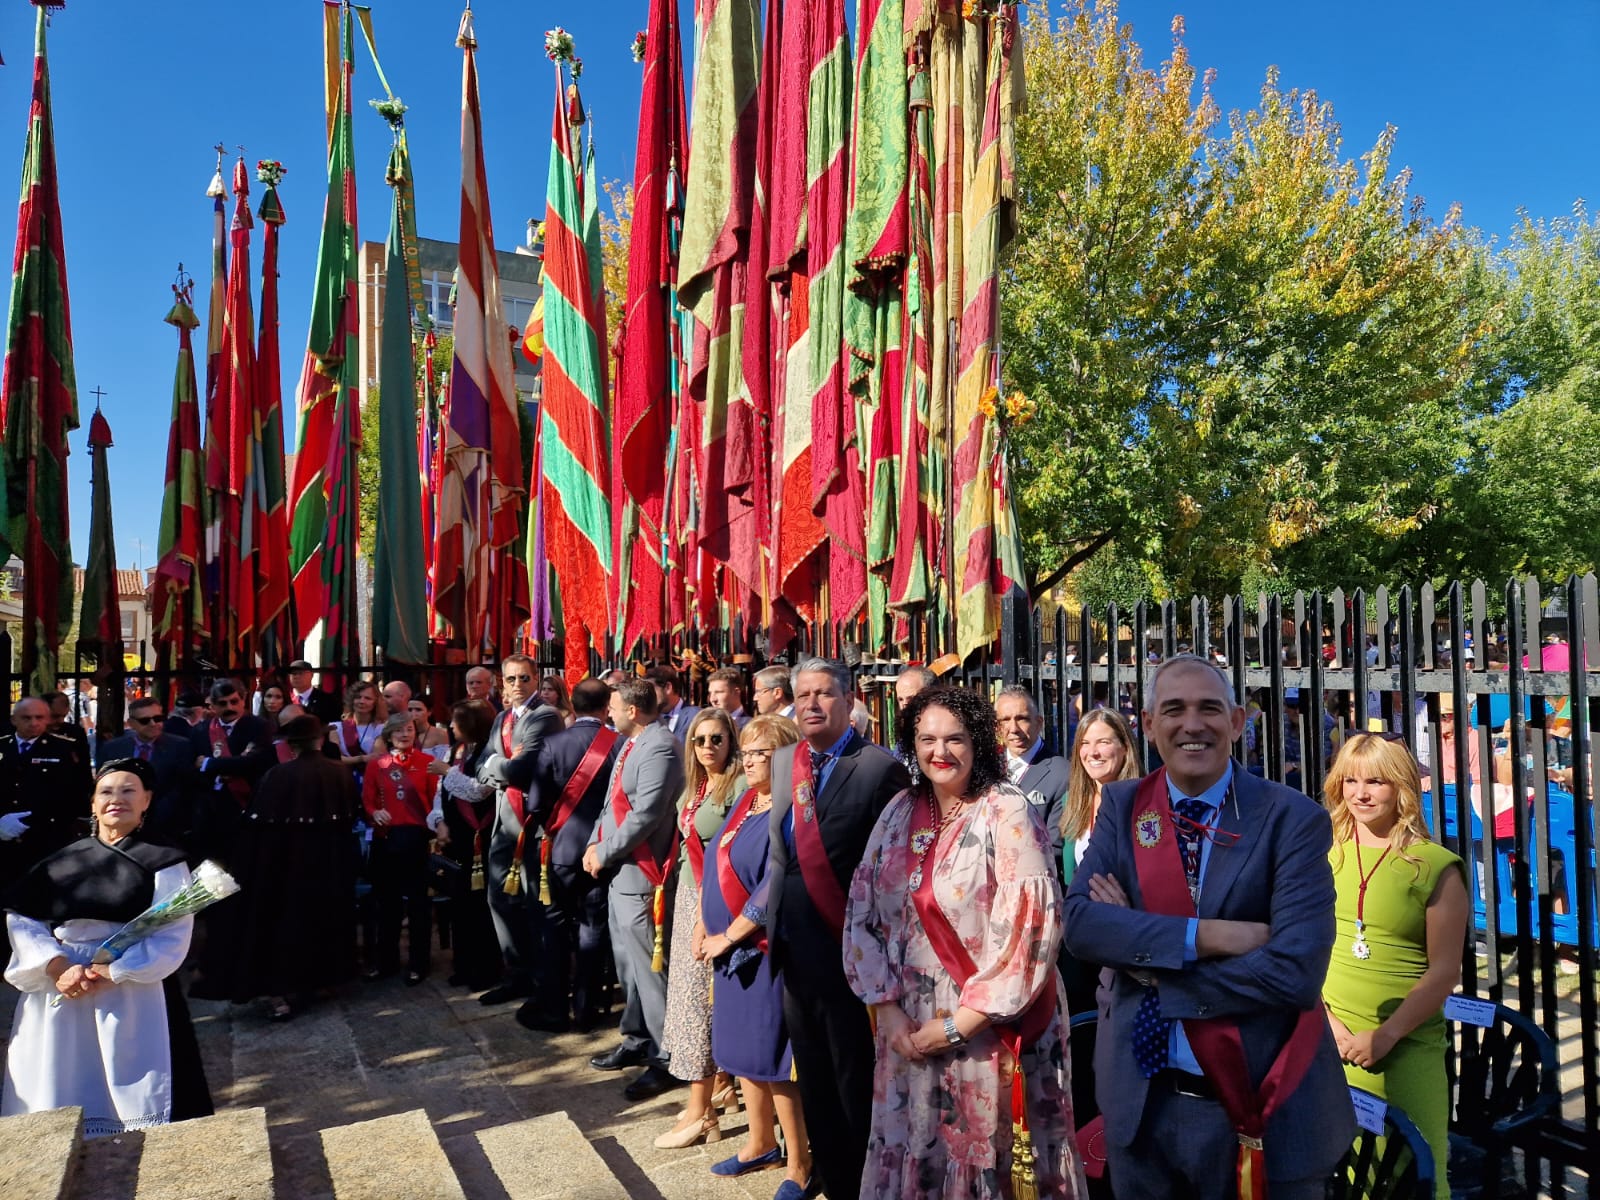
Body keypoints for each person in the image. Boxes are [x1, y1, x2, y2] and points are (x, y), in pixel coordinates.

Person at [1063, 655, 1352, 1198]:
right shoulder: (1124, 806)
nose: (1191, 724)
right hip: (1141, 1109)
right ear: (1148, 724)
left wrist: (1148, 962)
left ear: (1238, 721)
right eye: (1173, 709)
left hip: (1261, 1110)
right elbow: (1080, 926)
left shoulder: (1292, 819)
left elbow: (1294, 972)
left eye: (1209, 709)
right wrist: (1208, 937)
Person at [844, 687, 1086, 1199]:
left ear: (978, 743)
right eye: (927, 739)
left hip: (992, 1028)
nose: (940, 752)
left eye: (955, 739)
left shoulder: (1007, 811)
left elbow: (1033, 929)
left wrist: (957, 1025)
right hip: (906, 1025)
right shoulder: (897, 812)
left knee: (983, 1160)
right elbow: (861, 907)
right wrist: (886, 1011)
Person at [2, 759, 213, 1134]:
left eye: (129, 790)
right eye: (107, 791)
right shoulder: (63, 859)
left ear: (147, 800)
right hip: (63, 982)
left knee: (134, 1075)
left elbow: (172, 931)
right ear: (93, 804)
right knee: (60, 1071)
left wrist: (111, 970)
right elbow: (22, 918)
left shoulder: (164, 861)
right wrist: (57, 966)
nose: (117, 799)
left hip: (131, 989)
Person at [765, 658, 909, 1200]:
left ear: (849, 701)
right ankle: (828, 1176)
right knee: (816, 1083)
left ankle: (864, 1187)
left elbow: (892, 875)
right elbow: (781, 858)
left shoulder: (877, 768)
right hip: (796, 957)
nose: (811, 704)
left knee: (855, 1085)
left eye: (824, 694)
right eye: (802, 695)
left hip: (851, 961)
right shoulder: (785, 763)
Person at [1322, 734, 1468, 1198]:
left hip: (1406, 1045)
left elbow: (1445, 972)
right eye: (1351, 780)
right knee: (1345, 1170)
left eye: (1376, 782)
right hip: (1331, 1038)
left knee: (1417, 1173)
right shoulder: (1323, 852)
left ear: (1402, 787)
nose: (1361, 793)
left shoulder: (1435, 867)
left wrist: (1385, 1035)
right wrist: (1326, 1022)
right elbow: (1298, 945)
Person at [697, 715, 810, 1195]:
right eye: (746, 751)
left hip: (762, 951)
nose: (749, 759)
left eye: (761, 752)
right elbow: (713, 865)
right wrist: (706, 924)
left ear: (784, 756)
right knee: (741, 1054)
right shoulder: (746, 800)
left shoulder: (790, 809)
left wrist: (732, 934)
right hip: (726, 951)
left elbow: (773, 884)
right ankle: (759, 1143)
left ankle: (800, 1165)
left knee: (774, 1060)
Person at [584, 677, 684, 1102]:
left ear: (633, 709)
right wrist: (594, 841)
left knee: (648, 966)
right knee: (627, 964)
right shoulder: (630, 741)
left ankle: (668, 1055)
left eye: (614, 706)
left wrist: (603, 851)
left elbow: (645, 814)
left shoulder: (659, 745)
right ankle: (636, 1037)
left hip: (641, 870)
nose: (608, 712)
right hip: (618, 868)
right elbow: (610, 803)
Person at [229, 716, 359, 1018]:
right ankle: (322, 980)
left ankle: (282, 991)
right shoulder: (340, 773)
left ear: (291, 745)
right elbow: (352, 816)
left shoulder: (278, 775)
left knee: (285, 924)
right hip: (331, 865)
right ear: (320, 740)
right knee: (325, 918)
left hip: (288, 866)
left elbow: (256, 826)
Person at [656, 708, 744, 1149]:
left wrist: (706, 917)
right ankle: (718, 1089)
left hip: (714, 903)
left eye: (717, 739)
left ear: (732, 741)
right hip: (688, 896)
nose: (708, 747)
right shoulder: (697, 784)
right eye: (699, 740)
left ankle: (700, 1112)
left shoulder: (740, 784)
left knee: (697, 1006)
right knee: (696, 999)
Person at [524, 679, 623, 1031]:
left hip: (560, 850)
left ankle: (553, 1010)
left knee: (553, 930)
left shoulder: (553, 743)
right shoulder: (620, 745)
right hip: (603, 850)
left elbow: (535, 803)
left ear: (574, 705)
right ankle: (587, 1011)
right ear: (605, 707)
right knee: (592, 929)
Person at [475, 655, 564, 1005]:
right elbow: (483, 763)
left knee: (534, 904)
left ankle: (541, 981)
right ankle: (516, 973)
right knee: (499, 898)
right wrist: (502, 764)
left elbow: (522, 770)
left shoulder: (546, 716)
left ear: (535, 679)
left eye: (523, 678)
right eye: (510, 678)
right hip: (504, 823)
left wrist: (501, 765)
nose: (516, 685)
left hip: (533, 823)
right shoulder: (502, 717)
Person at [1056, 708, 1138, 1014]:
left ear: (1124, 747)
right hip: (1080, 940)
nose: (1092, 752)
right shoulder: (1073, 802)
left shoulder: (1142, 802)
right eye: (1084, 744)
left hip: (1122, 937)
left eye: (1103, 742)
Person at [428, 700, 503, 992]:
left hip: (481, 840)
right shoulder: (456, 750)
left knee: (480, 909)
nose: (451, 727)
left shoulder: (490, 753)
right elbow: (440, 793)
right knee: (459, 907)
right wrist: (438, 822)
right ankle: (463, 964)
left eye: (456, 722)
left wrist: (448, 772)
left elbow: (478, 791)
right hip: (455, 839)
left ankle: (485, 969)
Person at [362, 713, 439, 984]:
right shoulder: (377, 765)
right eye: (398, 731)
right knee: (387, 905)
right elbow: (367, 801)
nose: (404, 735)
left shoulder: (428, 763)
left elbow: (434, 803)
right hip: (386, 839)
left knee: (418, 905)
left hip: (416, 839)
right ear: (388, 735)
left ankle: (419, 963)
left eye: (409, 730)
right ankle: (386, 962)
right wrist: (375, 812)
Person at [0, 697, 93, 892]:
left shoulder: (63, 749)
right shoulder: (3, 746)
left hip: (44, 839)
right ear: (14, 720)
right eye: (26, 717)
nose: (33, 723)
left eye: (39, 717)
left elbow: (74, 795)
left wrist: (34, 821)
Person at [95, 697, 194, 851]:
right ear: (131, 723)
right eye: (145, 720)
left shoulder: (181, 746)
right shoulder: (113, 748)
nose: (153, 724)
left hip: (166, 826)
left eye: (157, 718)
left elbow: (185, 786)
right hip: (123, 824)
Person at [997, 686, 1071, 861]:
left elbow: (1056, 847)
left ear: (1039, 723)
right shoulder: (986, 767)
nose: (1013, 728)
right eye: (1005, 720)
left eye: (1022, 719)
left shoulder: (1063, 773)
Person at [330, 681, 387, 784]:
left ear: (375, 702)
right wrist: (363, 758)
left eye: (367, 698)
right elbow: (335, 758)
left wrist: (350, 759)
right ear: (352, 700)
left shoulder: (381, 728)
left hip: (371, 781)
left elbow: (376, 758)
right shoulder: (336, 728)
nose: (362, 701)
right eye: (358, 697)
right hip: (342, 781)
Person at [650, 666, 702, 743]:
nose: (648, 695)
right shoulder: (649, 719)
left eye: (652, 690)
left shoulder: (696, 716)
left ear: (668, 688)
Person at [42, 692, 92, 761]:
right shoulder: (32, 732)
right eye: (55, 716)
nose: (60, 721)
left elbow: (84, 765)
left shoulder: (76, 733)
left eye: (64, 716)